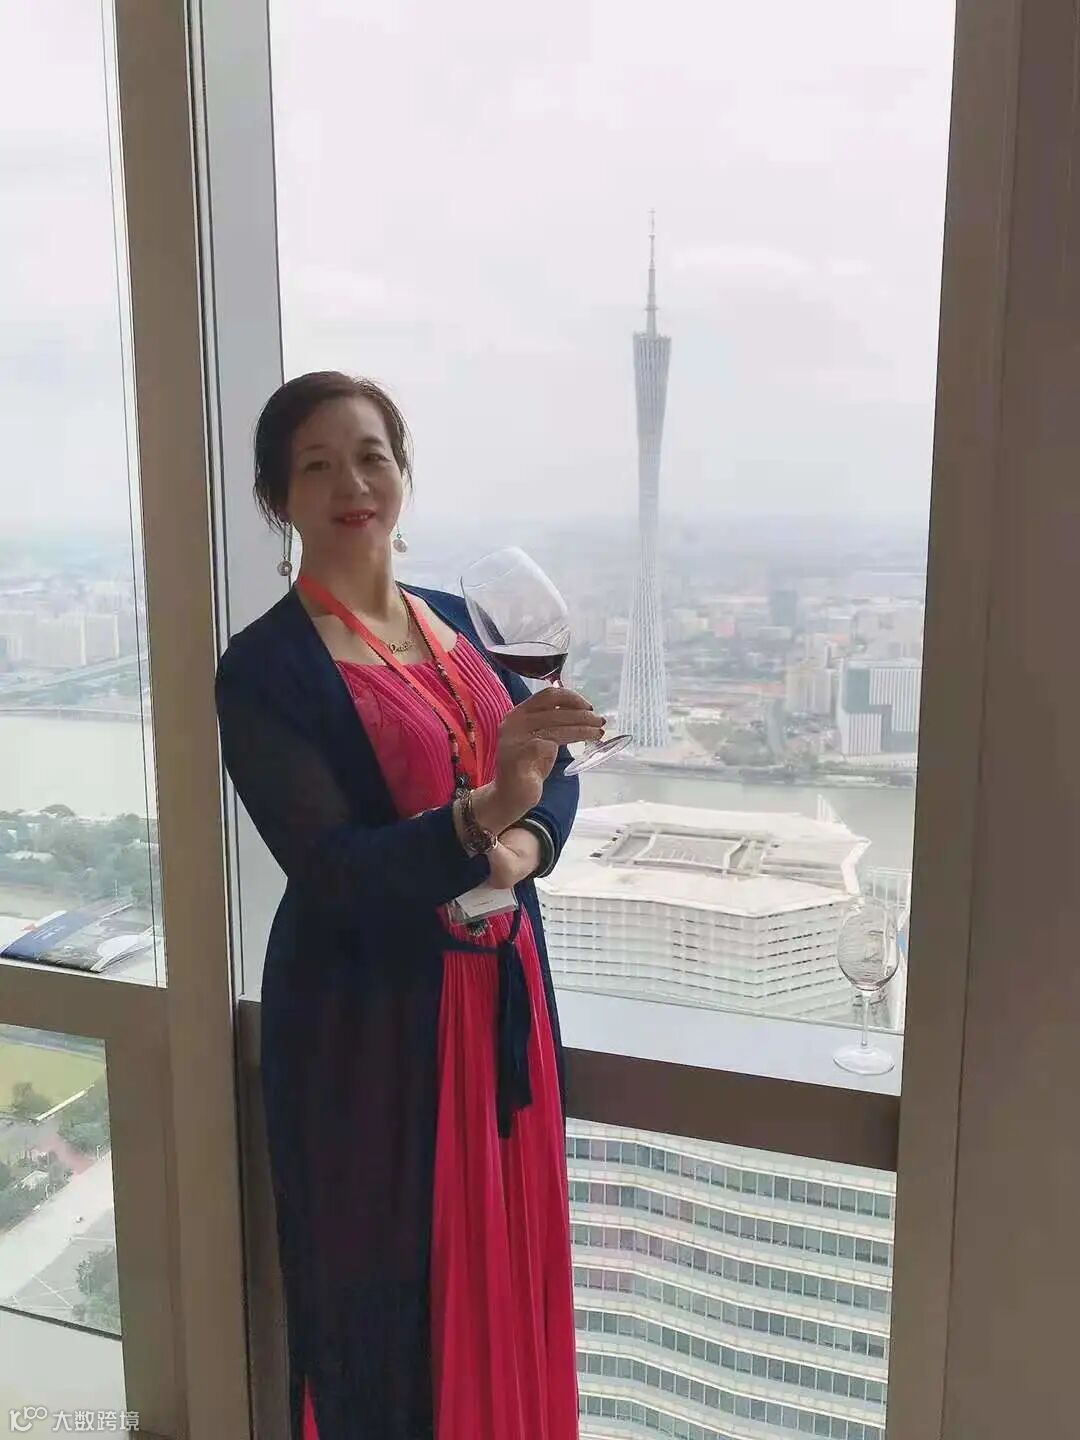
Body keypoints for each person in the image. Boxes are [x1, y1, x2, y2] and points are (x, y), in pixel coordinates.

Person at [215, 371, 605, 1440]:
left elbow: (550, 759)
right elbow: (333, 869)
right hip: (372, 1027)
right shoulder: (264, 670)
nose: (352, 483)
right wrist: (484, 814)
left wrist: (524, 841)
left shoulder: (458, 621)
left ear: (403, 472)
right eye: (317, 465)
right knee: (384, 1309)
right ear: (278, 498)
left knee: (507, 1270)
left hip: (501, 1002)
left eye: (371, 456)